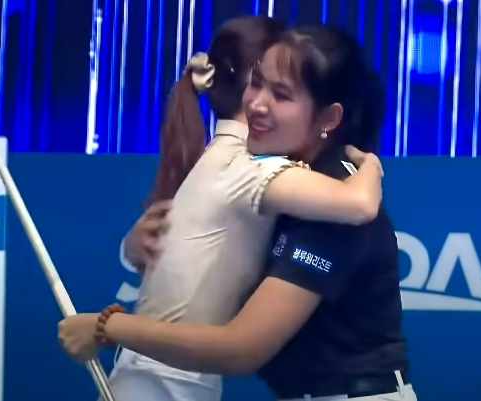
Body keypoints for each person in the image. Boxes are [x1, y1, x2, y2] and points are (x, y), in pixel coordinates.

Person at [60, 24, 416, 401]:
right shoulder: (276, 176)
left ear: (328, 118)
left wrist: (107, 327)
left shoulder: (331, 199)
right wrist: (136, 249)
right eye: (256, 83)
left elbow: (241, 348)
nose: (257, 104)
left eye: (281, 94)